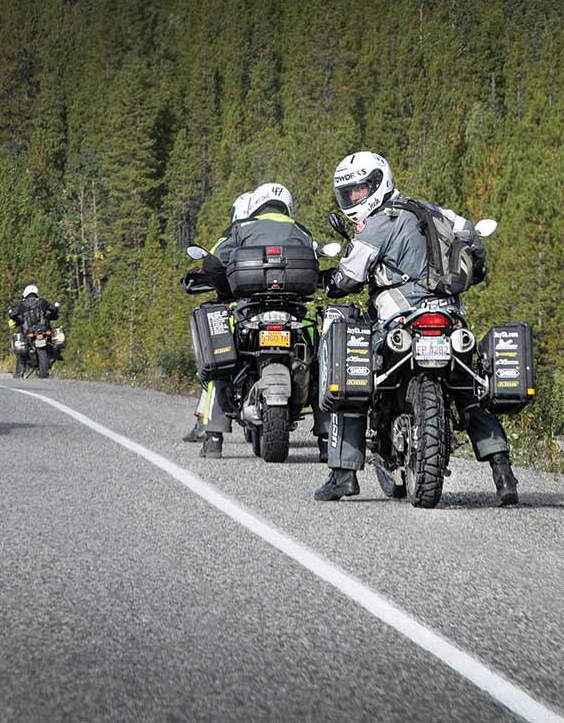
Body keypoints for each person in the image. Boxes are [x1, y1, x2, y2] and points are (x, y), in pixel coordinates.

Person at [314, 151, 519, 505]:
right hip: (448, 316)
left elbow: (349, 276)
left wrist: (327, 282)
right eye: (348, 194)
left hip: (399, 316)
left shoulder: (379, 222)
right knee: (468, 391)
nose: (354, 199)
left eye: (360, 191)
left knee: (355, 377)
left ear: (379, 184)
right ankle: (504, 474)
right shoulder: (437, 212)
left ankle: (342, 475)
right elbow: (473, 243)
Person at [198, 182, 329, 459]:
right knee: (319, 365)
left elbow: (211, 262)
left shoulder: (240, 228)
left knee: (223, 359)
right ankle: (327, 439)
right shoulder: (302, 231)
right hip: (294, 314)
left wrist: (225, 291)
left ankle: (213, 437)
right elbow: (315, 265)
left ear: (255, 205)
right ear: (287, 207)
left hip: (249, 311)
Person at [182, 192, 253, 444]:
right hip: (280, 307)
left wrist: (222, 291)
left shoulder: (233, 233)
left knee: (218, 358)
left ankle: (209, 427)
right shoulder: (281, 233)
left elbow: (211, 263)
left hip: (239, 309)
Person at [8, 284, 58, 378]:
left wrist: (12, 314)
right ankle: (51, 358)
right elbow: (53, 309)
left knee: (21, 351)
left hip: (29, 332)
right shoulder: (42, 301)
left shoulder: (22, 304)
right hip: (44, 330)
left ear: (25, 294)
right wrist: (54, 309)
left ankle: (19, 373)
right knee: (53, 343)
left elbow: (12, 314)